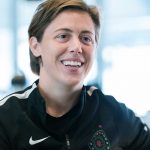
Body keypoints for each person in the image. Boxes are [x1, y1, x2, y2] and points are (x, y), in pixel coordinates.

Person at [0, 0, 150, 149]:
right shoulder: (6, 118)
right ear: (35, 46)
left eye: (86, 38)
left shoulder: (111, 112)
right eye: (63, 36)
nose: (77, 47)